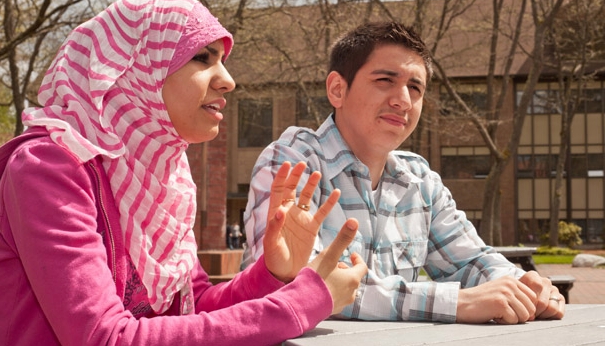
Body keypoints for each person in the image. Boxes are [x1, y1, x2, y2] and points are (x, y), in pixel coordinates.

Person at [0, 0, 368, 346]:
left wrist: (273, 275)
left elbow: (193, 308)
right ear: (133, 68)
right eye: (202, 57)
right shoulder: (48, 168)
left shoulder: (165, 181)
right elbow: (105, 337)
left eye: (223, 61)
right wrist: (298, 305)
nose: (228, 81)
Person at [241, 21, 566, 325]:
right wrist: (456, 304)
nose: (403, 100)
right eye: (385, 81)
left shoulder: (420, 181)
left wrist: (522, 285)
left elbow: (470, 262)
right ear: (337, 89)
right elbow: (304, 286)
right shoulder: (292, 162)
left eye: (415, 88)